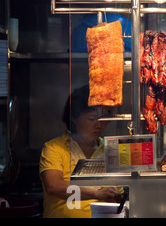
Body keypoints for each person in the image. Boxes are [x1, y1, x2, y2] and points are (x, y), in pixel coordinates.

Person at [39, 85, 122, 218]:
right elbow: (53, 186)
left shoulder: (109, 150)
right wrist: (97, 194)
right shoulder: (54, 148)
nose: (99, 125)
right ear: (73, 118)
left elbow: (119, 191)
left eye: (103, 119)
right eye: (92, 119)